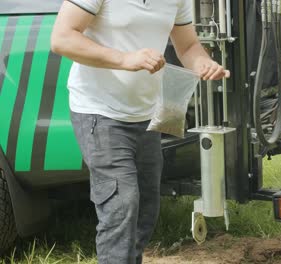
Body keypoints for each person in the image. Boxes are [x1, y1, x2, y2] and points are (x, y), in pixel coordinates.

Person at [50, 1, 229, 263]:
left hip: (146, 115)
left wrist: (202, 63)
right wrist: (125, 59)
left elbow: (188, 45)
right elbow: (62, 38)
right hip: (99, 112)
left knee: (145, 209)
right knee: (121, 206)